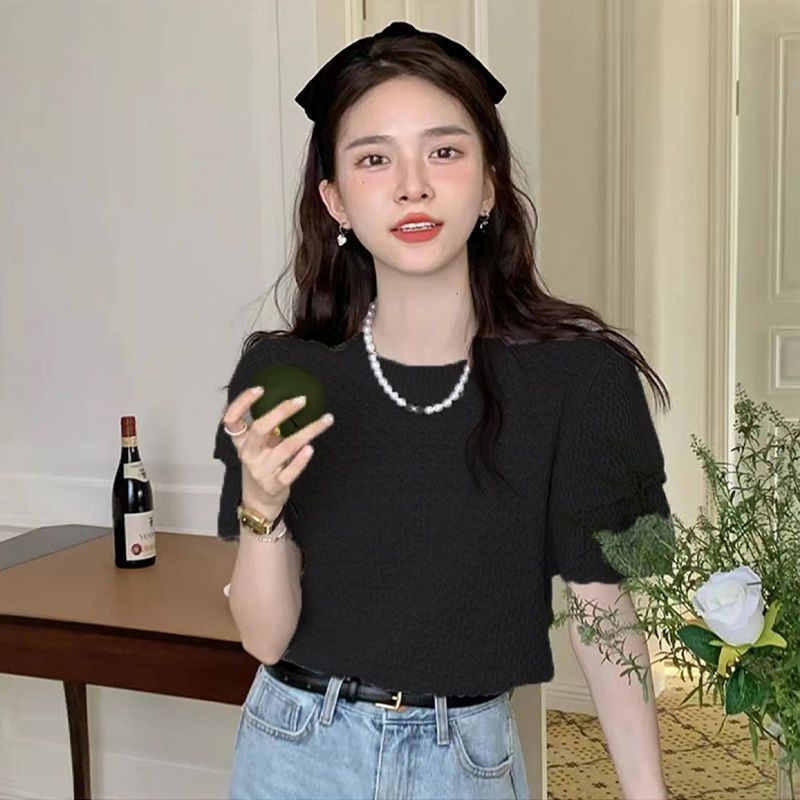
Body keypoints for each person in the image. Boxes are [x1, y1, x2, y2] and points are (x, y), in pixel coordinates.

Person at [214, 20, 673, 800]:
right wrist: (262, 505)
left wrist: (648, 795)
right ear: (335, 201)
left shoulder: (581, 379)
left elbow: (607, 614)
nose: (412, 186)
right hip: (295, 750)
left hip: (467, 760)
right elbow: (264, 639)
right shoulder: (282, 374)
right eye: (374, 159)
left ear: (489, 183)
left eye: (445, 152)